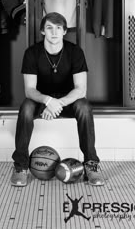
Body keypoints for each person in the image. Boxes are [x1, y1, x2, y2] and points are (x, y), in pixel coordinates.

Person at [11, 12, 104, 187]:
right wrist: (48, 101)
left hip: (67, 101)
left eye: (58, 28)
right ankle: (20, 166)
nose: (54, 32)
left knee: (84, 107)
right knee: (26, 108)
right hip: (41, 101)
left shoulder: (75, 52)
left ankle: (91, 164)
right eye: (49, 28)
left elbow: (80, 90)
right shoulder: (32, 53)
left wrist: (57, 104)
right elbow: (29, 90)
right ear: (42, 31)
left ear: (64, 31)